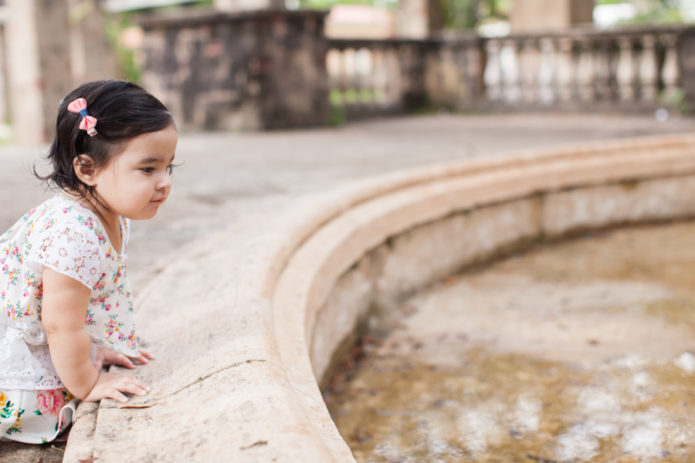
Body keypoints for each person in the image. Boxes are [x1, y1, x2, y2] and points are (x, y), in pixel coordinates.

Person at [0, 80, 177, 443]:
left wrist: (100, 345)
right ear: (87, 169)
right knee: (47, 408)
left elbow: (84, 304)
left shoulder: (111, 212)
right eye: (147, 169)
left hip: (42, 334)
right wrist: (89, 381)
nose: (164, 183)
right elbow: (60, 325)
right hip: (15, 355)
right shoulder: (73, 235)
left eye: (168, 167)